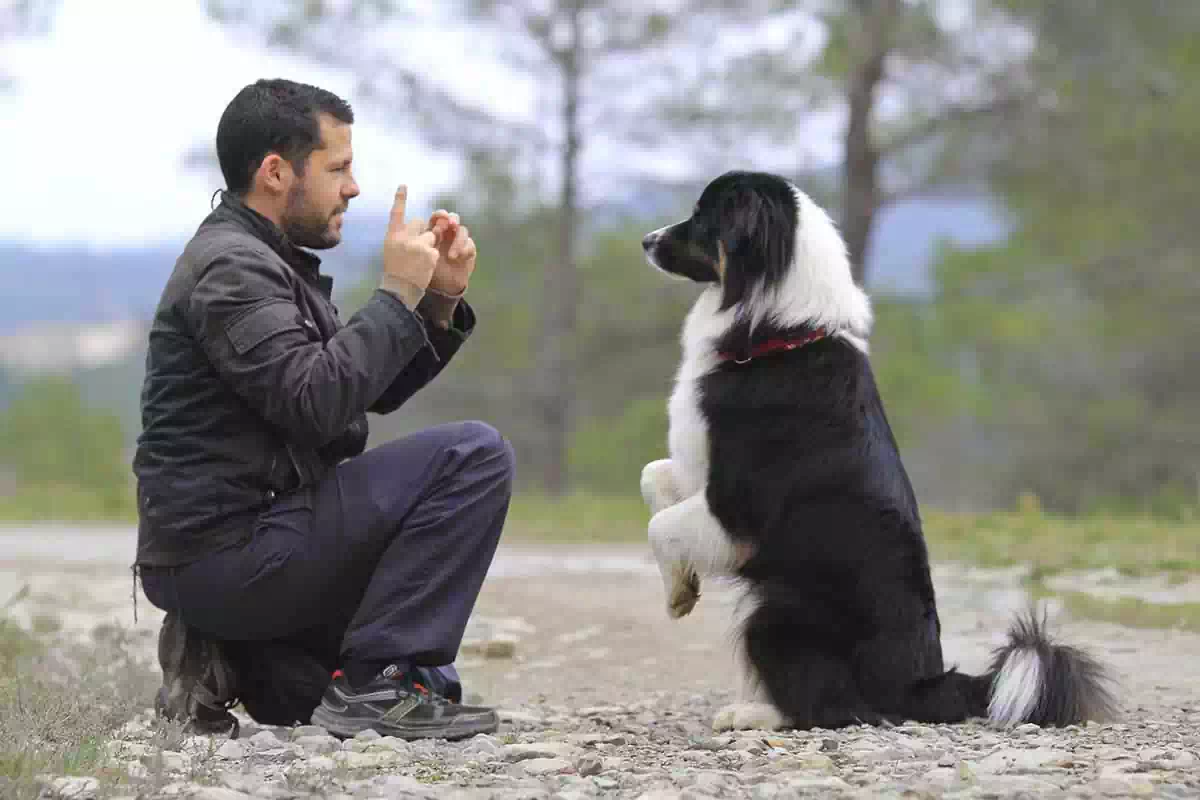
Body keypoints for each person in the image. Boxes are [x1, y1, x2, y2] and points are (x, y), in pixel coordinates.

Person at [132, 78, 515, 742]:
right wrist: (397, 292)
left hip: (245, 547)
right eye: (338, 168)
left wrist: (437, 303)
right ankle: (367, 686)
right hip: (233, 548)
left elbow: (360, 389)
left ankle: (222, 653)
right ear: (276, 172)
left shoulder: (266, 260)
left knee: (316, 692)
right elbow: (319, 402)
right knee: (473, 456)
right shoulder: (232, 271)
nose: (353, 187)